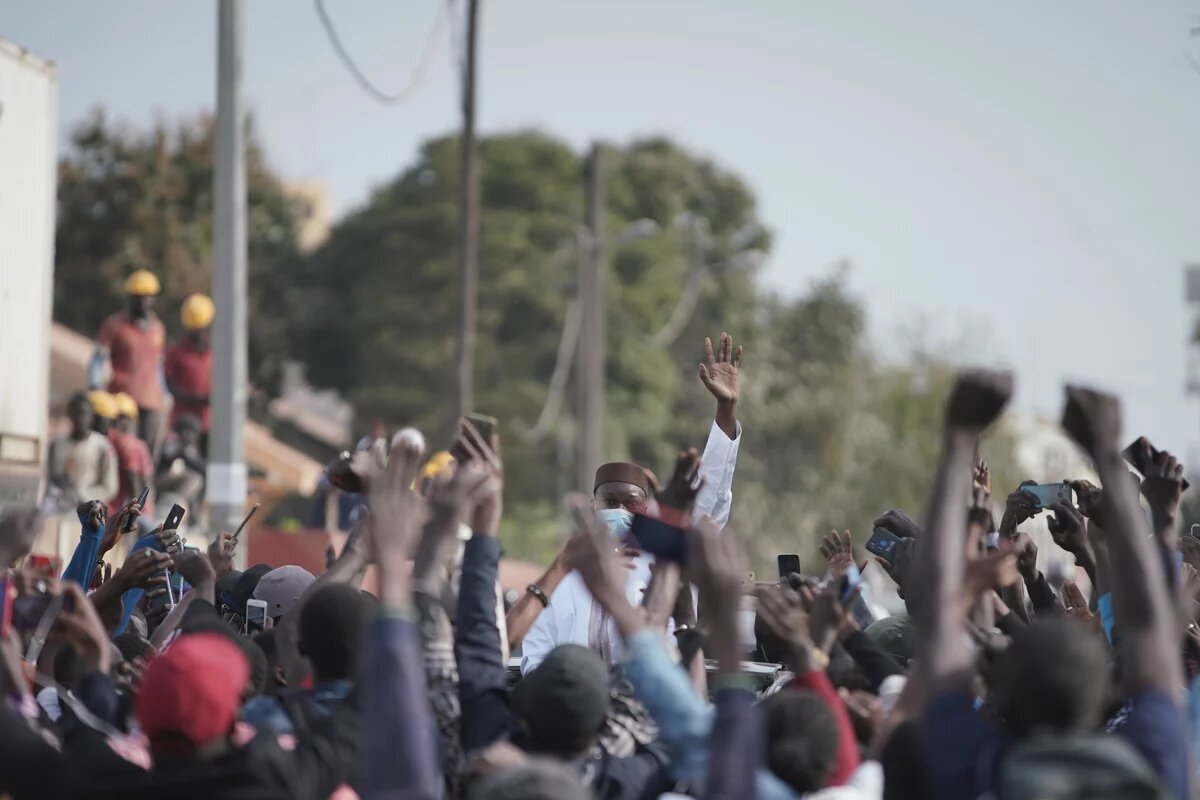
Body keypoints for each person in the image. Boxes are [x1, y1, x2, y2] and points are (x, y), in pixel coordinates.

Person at [520, 332, 744, 673]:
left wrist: (725, 411)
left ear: (648, 506)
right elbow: (535, 654)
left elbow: (708, 500)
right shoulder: (568, 573)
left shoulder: (665, 561)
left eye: (631, 502)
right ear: (593, 504)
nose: (621, 511)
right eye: (610, 501)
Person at [91, 269, 168, 457]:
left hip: (152, 403)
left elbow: (158, 366)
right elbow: (99, 359)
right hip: (122, 401)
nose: (142, 302)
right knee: (123, 451)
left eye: (147, 297)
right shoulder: (115, 325)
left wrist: (165, 396)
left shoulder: (158, 329)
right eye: (138, 297)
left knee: (148, 456)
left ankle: (146, 488)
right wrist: (95, 389)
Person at [47, 391, 118, 509]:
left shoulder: (102, 447)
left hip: (91, 511)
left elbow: (110, 487)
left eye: (84, 414)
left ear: (91, 417)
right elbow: (50, 478)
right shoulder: (57, 445)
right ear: (69, 415)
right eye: (76, 414)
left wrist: (82, 496)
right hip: (60, 507)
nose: (80, 419)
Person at [164, 294, 214, 455]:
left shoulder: (217, 352)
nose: (199, 333)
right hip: (183, 423)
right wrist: (197, 400)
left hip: (210, 424)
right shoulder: (177, 352)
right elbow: (169, 385)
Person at [108, 392, 154, 524]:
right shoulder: (116, 440)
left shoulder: (132, 445)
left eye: (123, 417)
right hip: (123, 511)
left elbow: (136, 480)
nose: (118, 422)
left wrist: (135, 514)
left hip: (130, 513)